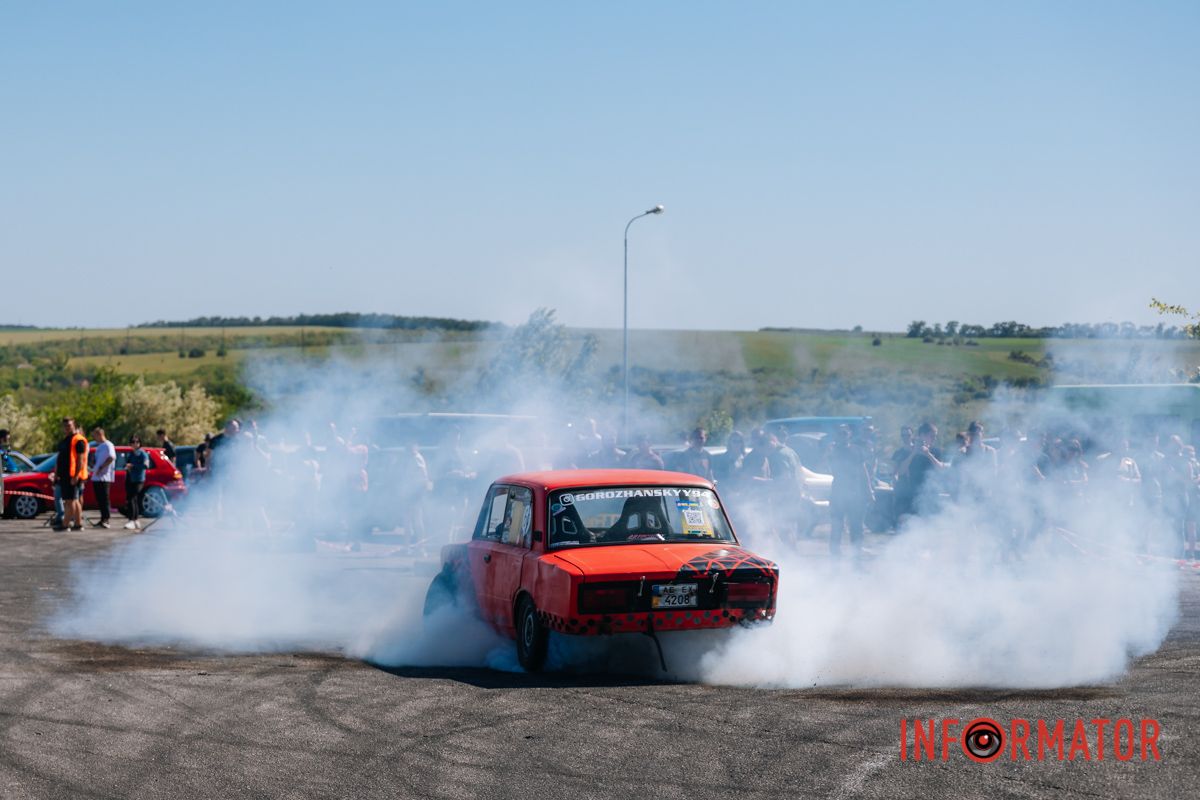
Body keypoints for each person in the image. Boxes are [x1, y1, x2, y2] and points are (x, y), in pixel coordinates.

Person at [828, 425, 874, 556]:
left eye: (844, 433)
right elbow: (830, 469)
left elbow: (863, 471)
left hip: (855, 494)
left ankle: (856, 555)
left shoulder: (857, 450)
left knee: (856, 526)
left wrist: (869, 491)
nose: (842, 436)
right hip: (838, 493)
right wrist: (830, 452)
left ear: (849, 434)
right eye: (839, 433)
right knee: (837, 526)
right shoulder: (833, 451)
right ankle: (835, 556)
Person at [53, 418, 89, 532]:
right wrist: (56, 474)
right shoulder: (65, 440)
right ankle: (78, 524)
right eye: (65, 426)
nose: (66, 428)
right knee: (74, 500)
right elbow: (59, 458)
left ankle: (65, 524)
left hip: (72, 475)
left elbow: (80, 459)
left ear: (74, 426)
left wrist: (76, 475)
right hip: (64, 475)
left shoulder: (78, 440)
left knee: (70, 501)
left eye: (69, 425)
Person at [89, 427, 116, 528]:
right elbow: (97, 460)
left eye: (95, 436)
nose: (94, 438)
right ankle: (102, 519)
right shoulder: (99, 447)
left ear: (100, 434)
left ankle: (106, 519)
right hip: (96, 477)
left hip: (104, 477)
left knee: (104, 499)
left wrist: (101, 467)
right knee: (99, 499)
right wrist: (93, 464)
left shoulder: (108, 445)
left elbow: (111, 457)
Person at [123, 436, 151, 530]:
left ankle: (132, 519)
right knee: (131, 499)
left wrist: (133, 466)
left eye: (137, 442)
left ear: (139, 443)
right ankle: (135, 520)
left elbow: (146, 465)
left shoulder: (143, 454)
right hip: (130, 478)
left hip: (138, 479)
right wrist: (127, 466)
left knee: (132, 498)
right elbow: (127, 463)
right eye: (132, 442)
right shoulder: (131, 454)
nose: (135, 444)